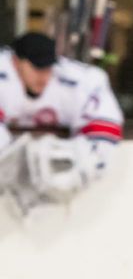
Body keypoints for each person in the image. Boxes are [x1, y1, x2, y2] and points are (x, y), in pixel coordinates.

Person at [0, 32, 123, 215]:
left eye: (48, 68)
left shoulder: (81, 81)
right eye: (36, 68)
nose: (44, 75)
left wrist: (81, 164)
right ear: (17, 62)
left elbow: (105, 129)